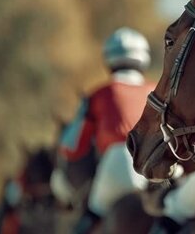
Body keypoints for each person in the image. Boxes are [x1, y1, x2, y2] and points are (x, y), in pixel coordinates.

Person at [54, 27, 153, 234]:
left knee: (88, 221)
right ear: (143, 58)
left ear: (110, 59)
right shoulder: (157, 91)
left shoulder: (97, 95)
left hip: (117, 163)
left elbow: (72, 146)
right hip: (157, 165)